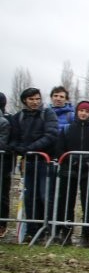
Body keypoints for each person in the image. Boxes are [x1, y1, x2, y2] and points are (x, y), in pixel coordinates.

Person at [8, 88, 59, 241]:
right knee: (29, 197)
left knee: (45, 196)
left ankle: (47, 229)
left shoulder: (48, 114)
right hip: (28, 163)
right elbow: (14, 138)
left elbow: (51, 135)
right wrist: (16, 148)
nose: (35, 102)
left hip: (45, 161)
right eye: (31, 99)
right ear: (25, 101)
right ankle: (32, 230)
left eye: (37, 99)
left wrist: (29, 148)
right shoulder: (19, 117)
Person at [53, 100, 89, 247]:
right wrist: (72, 160)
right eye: (81, 110)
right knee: (67, 203)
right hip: (69, 171)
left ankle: (85, 236)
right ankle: (66, 233)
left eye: (87, 111)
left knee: (88, 204)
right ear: (77, 111)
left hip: (88, 172)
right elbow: (60, 149)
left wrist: (88, 163)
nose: (84, 113)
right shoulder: (67, 129)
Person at [0, 93, 12, 239]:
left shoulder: (4, 122)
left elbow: (3, 143)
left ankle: (2, 224)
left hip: (3, 165)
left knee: (2, 195)